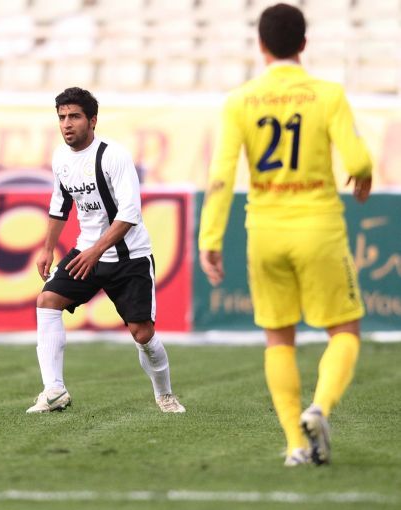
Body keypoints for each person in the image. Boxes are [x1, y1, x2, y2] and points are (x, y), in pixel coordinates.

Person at [198, 4, 372, 466]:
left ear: (261, 46)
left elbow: (221, 175)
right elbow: (357, 159)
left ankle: (296, 444)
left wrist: (209, 237)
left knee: (278, 338)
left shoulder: (240, 101)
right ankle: (320, 408)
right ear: (304, 44)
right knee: (344, 329)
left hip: (265, 231)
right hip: (318, 227)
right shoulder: (327, 95)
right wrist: (363, 172)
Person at [27, 86, 185, 415]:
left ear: (92, 120)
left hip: (129, 257)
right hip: (88, 252)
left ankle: (165, 394)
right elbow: (60, 205)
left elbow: (130, 213)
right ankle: (54, 390)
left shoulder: (114, 156)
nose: (67, 124)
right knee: (47, 301)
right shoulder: (60, 158)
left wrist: (96, 251)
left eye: (74, 116)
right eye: (62, 117)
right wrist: (47, 249)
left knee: (143, 334)